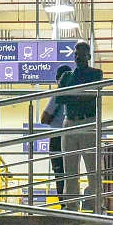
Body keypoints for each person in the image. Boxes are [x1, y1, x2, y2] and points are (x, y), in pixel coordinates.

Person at [58, 42, 104, 211]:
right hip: (69, 122)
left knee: (93, 167)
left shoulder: (95, 73)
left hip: (88, 122)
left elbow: (92, 95)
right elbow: (60, 99)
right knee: (69, 169)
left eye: (82, 54)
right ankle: (71, 206)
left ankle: (97, 204)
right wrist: (80, 95)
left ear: (88, 56)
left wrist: (72, 95)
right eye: (76, 54)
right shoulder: (67, 76)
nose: (78, 57)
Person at [40, 66, 71, 200]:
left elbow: (44, 118)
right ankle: (71, 203)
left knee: (59, 173)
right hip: (71, 136)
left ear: (58, 79)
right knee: (71, 171)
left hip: (57, 137)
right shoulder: (77, 93)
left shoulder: (59, 93)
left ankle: (64, 203)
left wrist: (53, 119)